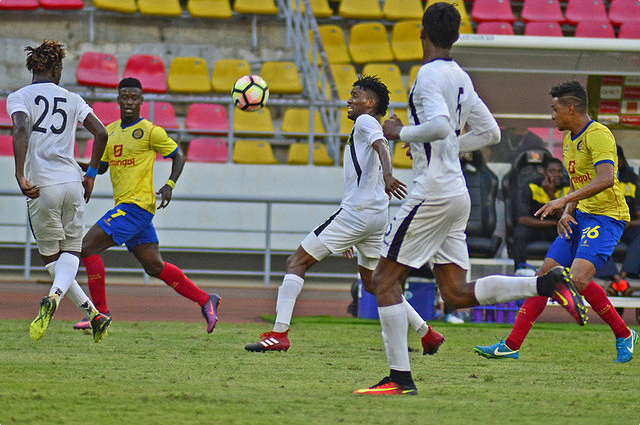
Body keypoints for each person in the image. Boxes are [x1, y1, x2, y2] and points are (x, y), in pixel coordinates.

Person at [353, 4, 587, 396]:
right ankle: (544, 284)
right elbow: (490, 132)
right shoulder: (460, 76)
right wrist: (441, 149)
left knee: (383, 279)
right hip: (456, 193)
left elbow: (442, 125)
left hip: (431, 193)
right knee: (456, 293)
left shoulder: (427, 75)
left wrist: (401, 133)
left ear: (421, 33)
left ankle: (400, 378)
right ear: (457, 36)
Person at [245, 75, 445, 355]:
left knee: (296, 262)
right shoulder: (367, 127)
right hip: (375, 218)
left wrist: (389, 176)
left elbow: (380, 148)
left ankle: (279, 333)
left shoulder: (366, 122)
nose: (349, 100)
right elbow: (378, 151)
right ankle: (427, 333)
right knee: (375, 283)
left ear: (370, 102)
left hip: (358, 214)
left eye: (355, 95)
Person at [474, 81, 638, 363]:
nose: (552, 115)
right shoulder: (569, 139)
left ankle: (624, 334)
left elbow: (606, 179)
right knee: (542, 279)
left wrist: (562, 201)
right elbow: (580, 183)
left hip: (606, 217)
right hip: (580, 216)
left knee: (577, 279)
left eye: (555, 109)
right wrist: (567, 213)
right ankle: (511, 345)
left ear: (570, 109)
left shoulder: (599, 135)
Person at [72, 77, 221, 334]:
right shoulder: (110, 132)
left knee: (86, 248)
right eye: (125, 97)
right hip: (132, 210)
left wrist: (170, 184)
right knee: (154, 266)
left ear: (141, 101)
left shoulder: (151, 131)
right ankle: (206, 299)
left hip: (136, 207)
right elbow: (104, 166)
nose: (129, 101)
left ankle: (100, 314)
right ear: (118, 100)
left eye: (134, 97)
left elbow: (178, 155)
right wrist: (76, 165)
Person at [7, 40, 111, 343]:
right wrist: (90, 174)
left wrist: (19, 174)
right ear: (54, 69)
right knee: (66, 256)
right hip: (73, 184)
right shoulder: (72, 98)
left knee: (53, 258)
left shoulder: (19, 97)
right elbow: (101, 133)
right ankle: (95, 315)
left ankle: (53, 297)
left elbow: (21, 128)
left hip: (43, 187)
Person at [596, 145, 639, 301]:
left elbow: (638, 213)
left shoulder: (632, 180)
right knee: (594, 236)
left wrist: (628, 223)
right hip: (602, 224)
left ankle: (621, 277)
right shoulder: (595, 178)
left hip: (626, 226)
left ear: (621, 159)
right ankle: (620, 281)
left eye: (616, 157)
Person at [512, 157, 570, 269]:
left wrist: (550, 193)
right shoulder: (531, 186)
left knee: (572, 233)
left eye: (559, 171)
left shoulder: (568, 188)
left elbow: (567, 218)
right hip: (535, 227)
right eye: (552, 171)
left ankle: (566, 272)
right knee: (519, 232)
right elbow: (522, 219)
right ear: (544, 172)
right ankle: (520, 270)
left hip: (557, 230)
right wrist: (553, 223)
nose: (557, 175)